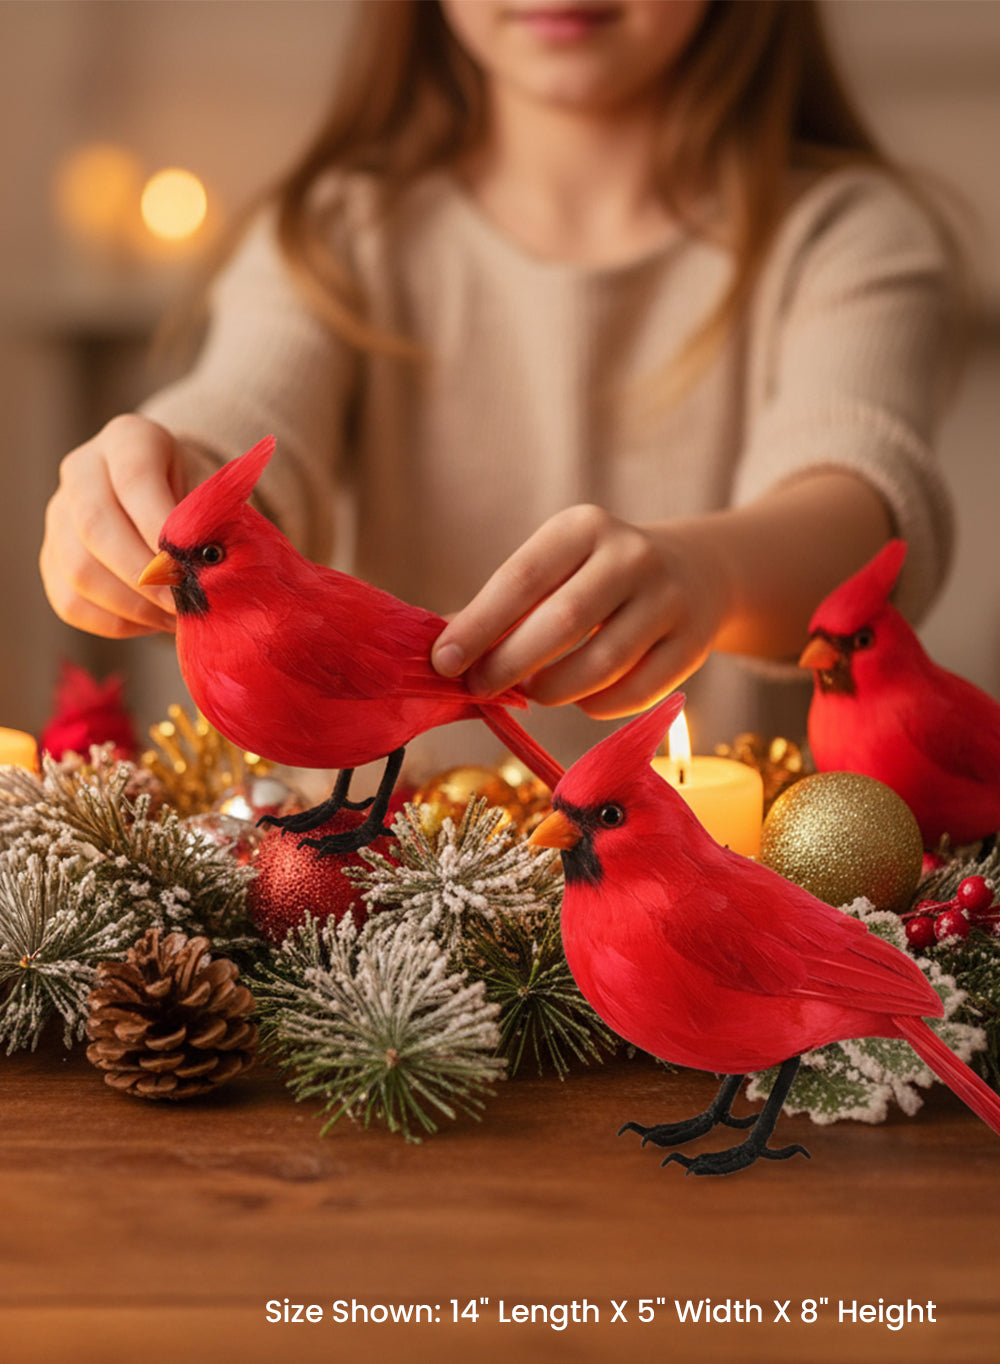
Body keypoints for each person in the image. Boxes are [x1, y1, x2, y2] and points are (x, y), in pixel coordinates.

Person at [39, 0, 961, 776]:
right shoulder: (333, 235)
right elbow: (245, 406)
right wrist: (155, 478)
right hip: (362, 941)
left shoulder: (847, 239)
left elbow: (857, 497)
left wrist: (712, 574)